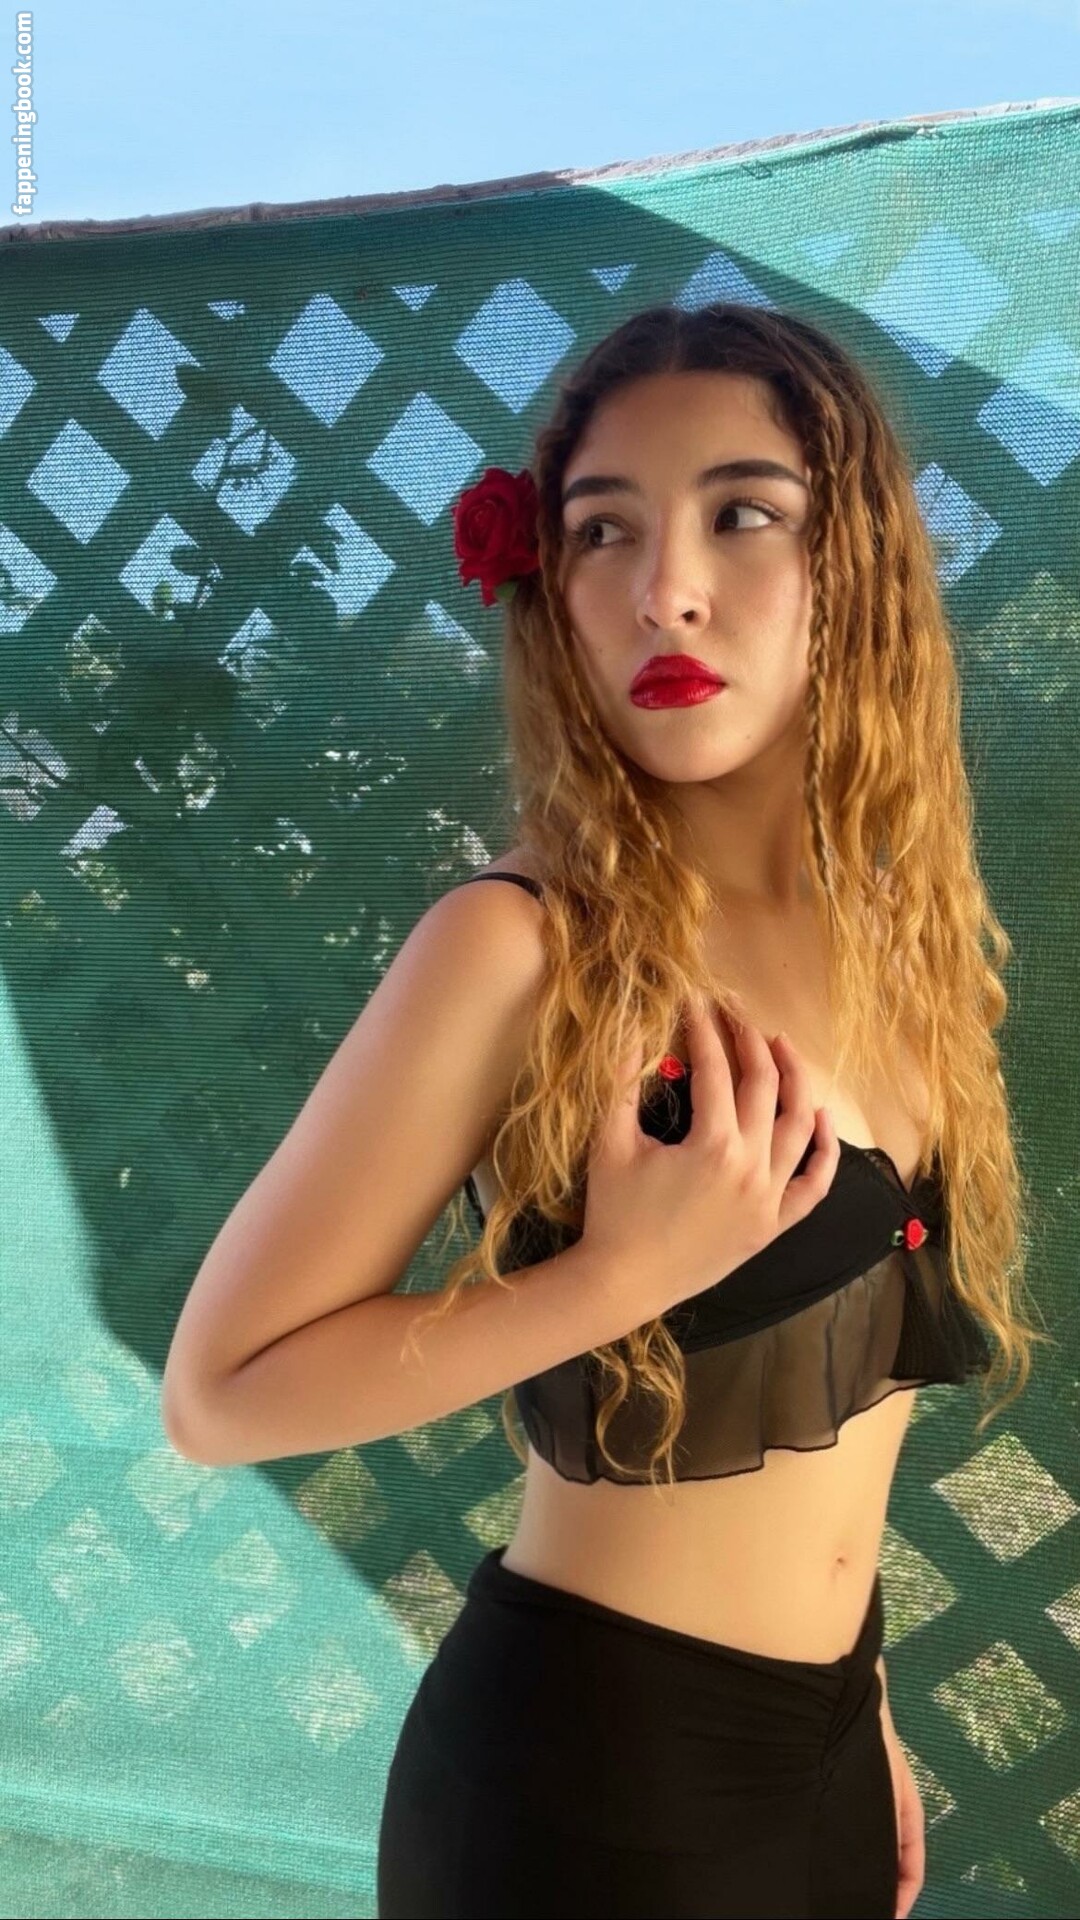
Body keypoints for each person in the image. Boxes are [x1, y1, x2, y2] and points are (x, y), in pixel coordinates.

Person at [160, 302, 1045, 1919]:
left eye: (743, 513)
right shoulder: (522, 946)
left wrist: (863, 1698)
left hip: (827, 1751)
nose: (665, 590)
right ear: (551, 586)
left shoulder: (894, 934)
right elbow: (220, 1395)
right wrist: (618, 1277)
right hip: (591, 1791)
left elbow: (841, 1407)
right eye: (603, 530)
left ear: (853, 563)